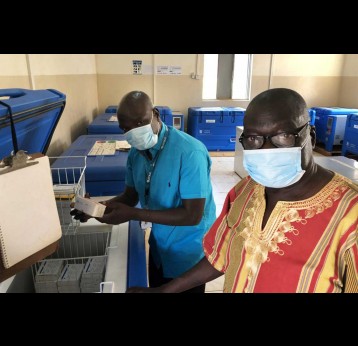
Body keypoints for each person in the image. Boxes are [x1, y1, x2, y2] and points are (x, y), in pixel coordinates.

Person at [127, 88, 358, 293]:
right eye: (254, 138)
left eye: (283, 136)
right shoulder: (245, 191)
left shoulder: (351, 214)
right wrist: (165, 290)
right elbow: (220, 255)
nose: (267, 150)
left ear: (312, 136)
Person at [71, 91, 216, 293]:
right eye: (126, 128)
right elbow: (130, 197)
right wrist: (96, 209)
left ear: (155, 114)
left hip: (188, 253)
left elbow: (193, 215)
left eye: (140, 122)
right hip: (159, 247)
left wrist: (133, 215)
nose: (134, 131)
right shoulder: (135, 154)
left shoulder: (190, 152)